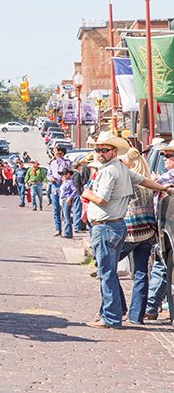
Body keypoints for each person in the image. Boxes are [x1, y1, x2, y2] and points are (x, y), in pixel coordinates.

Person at [80, 132, 174, 329]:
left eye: (104, 150)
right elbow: (144, 181)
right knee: (125, 272)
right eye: (98, 150)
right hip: (120, 226)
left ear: (114, 151)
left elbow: (102, 199)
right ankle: (124, 314)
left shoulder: (109, 171)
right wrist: (163, 188)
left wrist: (87, 193)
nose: (99, 153)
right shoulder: (120, 168)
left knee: (106, 273)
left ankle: (110, 317)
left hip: (106, 226)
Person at [117, 148, 156, 325]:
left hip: (131, 231)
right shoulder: (149, 180)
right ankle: (136, 315)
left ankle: (119, 306)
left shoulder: (130, 180)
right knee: (141, 273)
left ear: (130, 164)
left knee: (106, 267)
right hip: (148, 230)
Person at [145, 142, 174, 320]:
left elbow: (152, 184)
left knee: (162, 264)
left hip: (166, 225)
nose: (164, 158)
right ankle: (152, 305)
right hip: (164, 224)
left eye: (168, 155)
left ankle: (151, 305)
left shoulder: (168, 177)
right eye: (164, 155)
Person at [47, 145, 71, 236]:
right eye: (56, 152)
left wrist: (59, 158)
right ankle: (58, 229)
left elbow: (66, 169)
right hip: (55, 186)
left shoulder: (67, 162)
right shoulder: (52, 163)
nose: (57, 154)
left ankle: (67, 231)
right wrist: (50, 178)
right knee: (56, 209)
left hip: (64, 186)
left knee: (65, 210)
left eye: (59, 153)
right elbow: (48, 174)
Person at [58, 168, 79, 238]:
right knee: (65, 216)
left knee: (67, 217)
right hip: (63, 199)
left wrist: (70, 198)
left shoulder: (70, 182)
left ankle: (68, 233)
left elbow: (74, 190)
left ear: (68, 174)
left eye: (65, 174)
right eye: (63, 174)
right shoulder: (64, 182)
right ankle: (67, 232)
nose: (63, 175)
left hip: (66, 199)